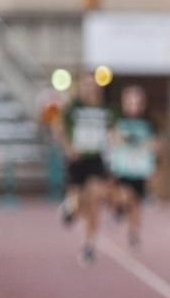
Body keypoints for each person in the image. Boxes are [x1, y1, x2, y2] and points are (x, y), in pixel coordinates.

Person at [52, 73, 116, 265]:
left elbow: (114, 133)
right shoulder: (72, 109)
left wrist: (114, 151)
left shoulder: (106, 110)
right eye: (85, 85)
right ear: (80, 88)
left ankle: (89, 244)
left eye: (92, 85)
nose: (89, 89)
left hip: (96, 159)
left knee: (94, 201)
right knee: (79, 202)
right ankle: (70, 208)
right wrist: (68, 148)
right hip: (77, 159)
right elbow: (58, 129)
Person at [109, 86, 158, 249]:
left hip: (141, 169)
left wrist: (152, 161)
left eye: (137, 103)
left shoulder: (150, 123)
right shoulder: (119, 121)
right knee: (125, 196)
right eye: (130, 103)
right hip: (123, 168)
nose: (134, 106)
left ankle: (134, 231)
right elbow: (113, 140)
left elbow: (155, 145)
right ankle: (118, 208)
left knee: (137, 203)